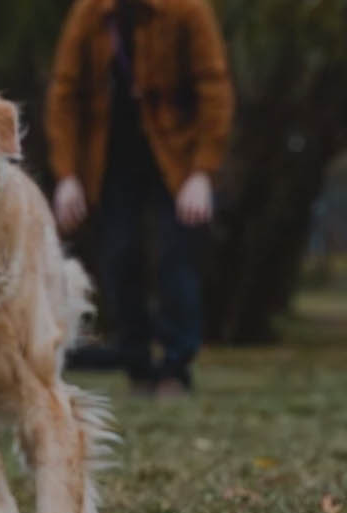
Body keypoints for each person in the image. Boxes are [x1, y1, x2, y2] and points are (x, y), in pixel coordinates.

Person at [46, 0, 233, 396]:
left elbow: (214, 89)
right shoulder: (91, 13)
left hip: (175, 157)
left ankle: (176, 368)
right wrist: (68, 176)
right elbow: (64, 93)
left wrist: (201, 173)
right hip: (112, 159)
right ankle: (137, 364)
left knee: (174, 257)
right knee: (119, 256)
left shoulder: (188, 10)